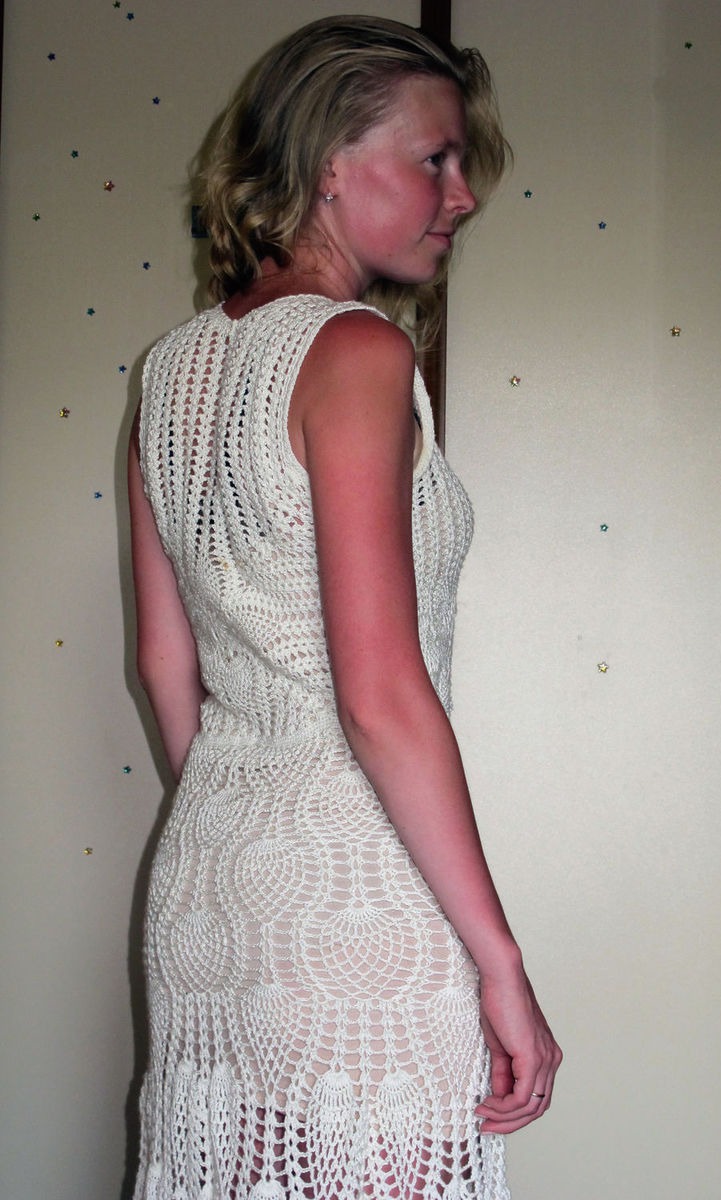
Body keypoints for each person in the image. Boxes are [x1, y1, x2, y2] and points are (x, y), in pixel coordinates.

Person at [128, 15, 561, 1200]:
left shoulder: (169, 370)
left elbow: (166, 665)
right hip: (358, 887)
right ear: (329, 163)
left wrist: (248, 818)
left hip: (211, 880)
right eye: (435, 158)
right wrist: (501, 963)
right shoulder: (358, 353)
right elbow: (378, 696)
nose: (461, 195)